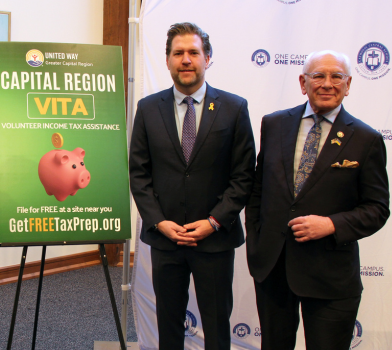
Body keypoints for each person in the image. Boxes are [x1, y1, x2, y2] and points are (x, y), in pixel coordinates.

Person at [245, 50, 389, 350]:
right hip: (274, 269)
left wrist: (332, 224)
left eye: (337, 76)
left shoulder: (366, 139)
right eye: (318, 76)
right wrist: (257, 242)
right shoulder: (274, 125)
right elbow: (258, 190)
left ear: (348, 85)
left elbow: (377, 209)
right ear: (303, 82)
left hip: (330, 276)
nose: (327, 83)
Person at [129, 22, 255, 350]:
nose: (186, 59)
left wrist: (214, 221)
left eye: (193, 53)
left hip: (215, 238)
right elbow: (138, 174)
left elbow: (244, 175)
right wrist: (159, 222)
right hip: (165, 237)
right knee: (168, 321)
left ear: (207, 58)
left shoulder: (234, 108)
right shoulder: (147, 109)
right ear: (168, 60)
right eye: (178, 53)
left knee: (216, 323)